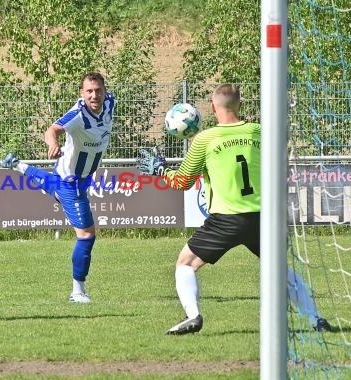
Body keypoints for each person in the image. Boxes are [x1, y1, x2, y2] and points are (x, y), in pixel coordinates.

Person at [136, 83, 331, 334]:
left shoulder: (205, 139)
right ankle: (316, 319)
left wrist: (160, 169)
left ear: (213, 107)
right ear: (241, 105)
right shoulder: (261, 132)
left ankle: (193, 315)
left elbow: (182, 182)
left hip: (225, 219)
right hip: (262, 217)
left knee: (185, 264)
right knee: (281, 267)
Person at [1, 72, 115, 303]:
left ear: (105, 90)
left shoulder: (110, 102)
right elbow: (51, 130)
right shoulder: (78, 115)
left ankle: (17, 165)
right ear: (81, 94)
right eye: (89, 91)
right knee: (86, 235)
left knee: (52, 187)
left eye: (98, 90)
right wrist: (53, 143)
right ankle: (77, 292)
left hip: (80, 177)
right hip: (71, 181)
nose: (94, 95)